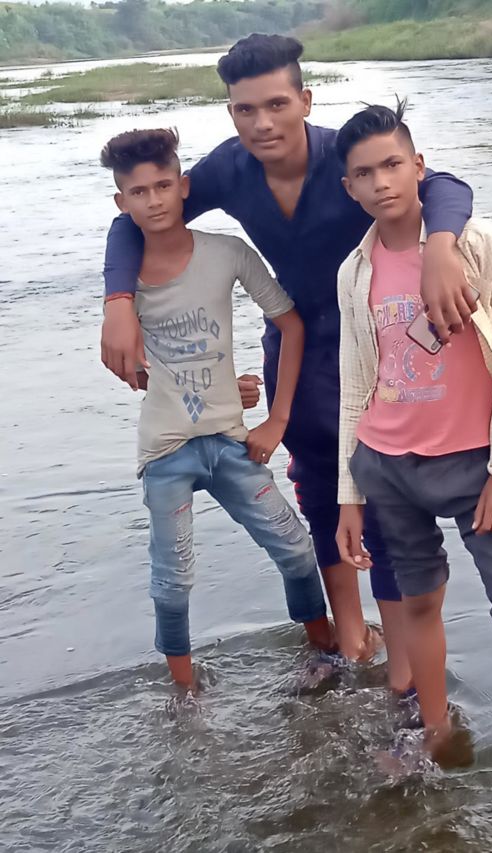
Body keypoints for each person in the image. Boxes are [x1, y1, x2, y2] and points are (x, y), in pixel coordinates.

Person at [100, 33, 476, 688]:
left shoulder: (344, 155)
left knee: (381, 493)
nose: (263, 123)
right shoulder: (229, 168)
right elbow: (139, 215)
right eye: (245, 109)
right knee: (320, 490)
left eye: (276, 104)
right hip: (298, 354)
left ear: (305, 100)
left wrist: (440, 245)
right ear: (231, 113)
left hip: (374, 350)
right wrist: (118, 302)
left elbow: (440, 183)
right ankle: (349, 639)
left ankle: (405, 671)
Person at [334, 101, 492, 762]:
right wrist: (349, 495)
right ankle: (435, 732)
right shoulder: (354, 271)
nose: (382, 182)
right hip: (388, 465)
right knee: (418, 602)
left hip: (476, 466)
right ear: (350, 188)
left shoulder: (475, 244)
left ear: (419, 166)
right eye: (365, 174)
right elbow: (356, 383)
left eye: (392, 164)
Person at [100, 126, 334, 691]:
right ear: (121, 203)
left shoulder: (225, 253)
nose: (153, 201)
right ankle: (185, 694)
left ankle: (326, 652)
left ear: (183, 186)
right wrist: (138, 344)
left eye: (163, 186)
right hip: (166, 452)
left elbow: (290, 324)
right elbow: (136, 372)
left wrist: (275, 416)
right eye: (138, 192)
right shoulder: (124, 286)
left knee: (296, 549)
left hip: (232, 443)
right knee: (173, 580)